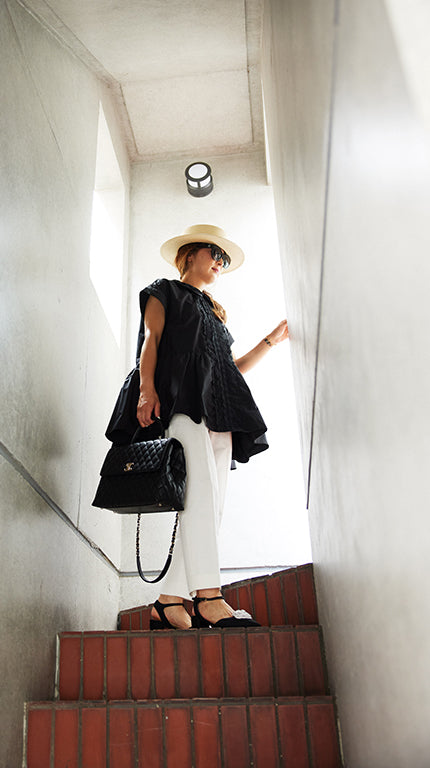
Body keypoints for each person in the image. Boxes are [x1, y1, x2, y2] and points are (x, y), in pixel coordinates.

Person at [105, 224, 288, 630]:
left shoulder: (216, 315)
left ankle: (168, 602)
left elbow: (230, 370)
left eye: (224, 259)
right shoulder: (164, 290)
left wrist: (270, 342)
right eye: (214, 254)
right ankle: (208, 596)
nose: (220, 263)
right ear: (190, 255)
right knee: (202, 493)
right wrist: (146, 390)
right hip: (182, 405)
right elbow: (150, 340)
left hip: (221, 413)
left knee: (211, 503)